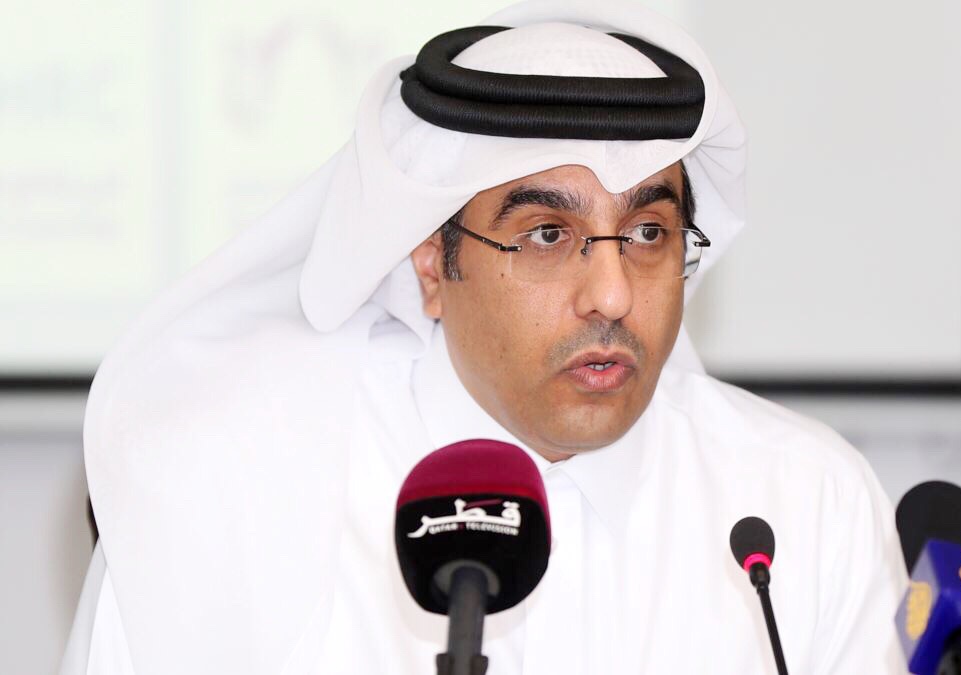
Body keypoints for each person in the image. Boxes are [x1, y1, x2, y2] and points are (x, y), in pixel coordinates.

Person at [62, 2, 908, 673]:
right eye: (546, 235)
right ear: (432, 261)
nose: (613, 293)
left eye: (649, 232)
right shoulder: (238, 490)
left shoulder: (803, 504)